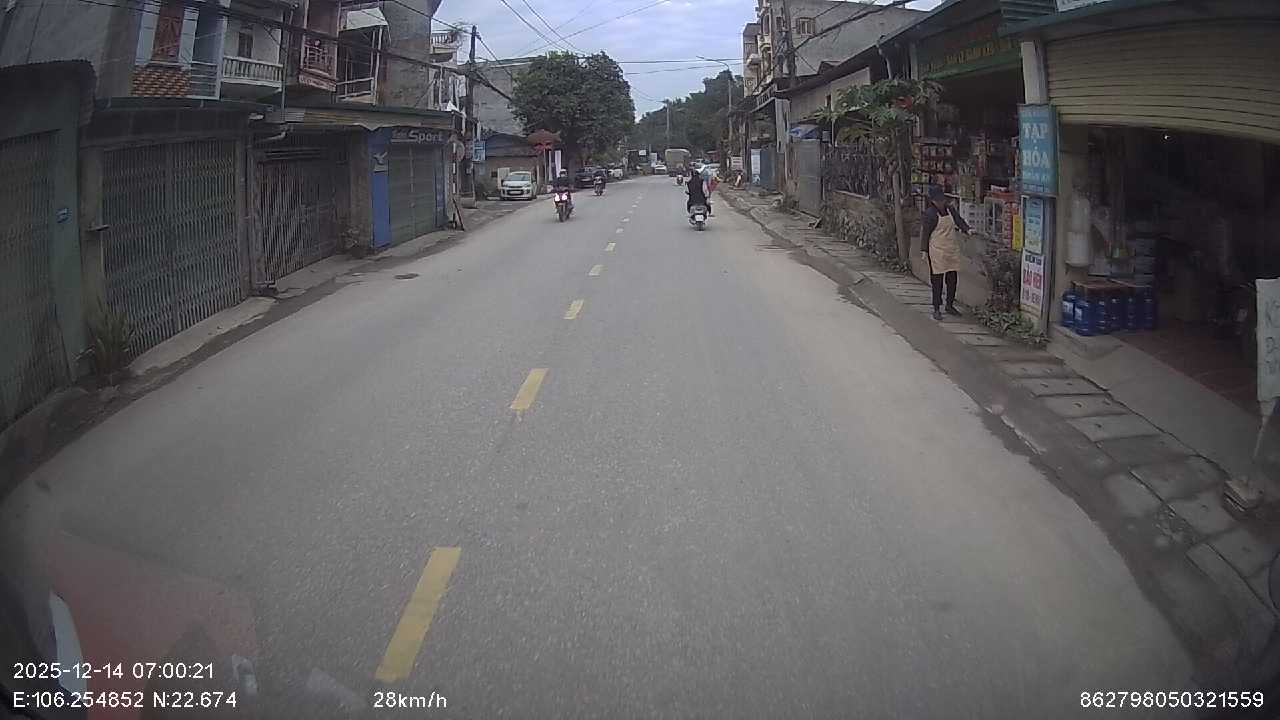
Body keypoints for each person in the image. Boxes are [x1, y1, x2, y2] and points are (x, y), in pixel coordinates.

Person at [920, 185, 970, 320]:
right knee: (937, 281)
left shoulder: (950, 210)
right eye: (938, 200)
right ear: (933, 201)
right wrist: (924, 250)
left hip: (951, 249)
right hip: (936, 250)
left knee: (952, 279)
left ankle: (950, 305)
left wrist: (967, 229)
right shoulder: (929, 214)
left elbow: (959, 221)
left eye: (942, 200)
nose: (941, 202)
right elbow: (925, 234)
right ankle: (936, 308)